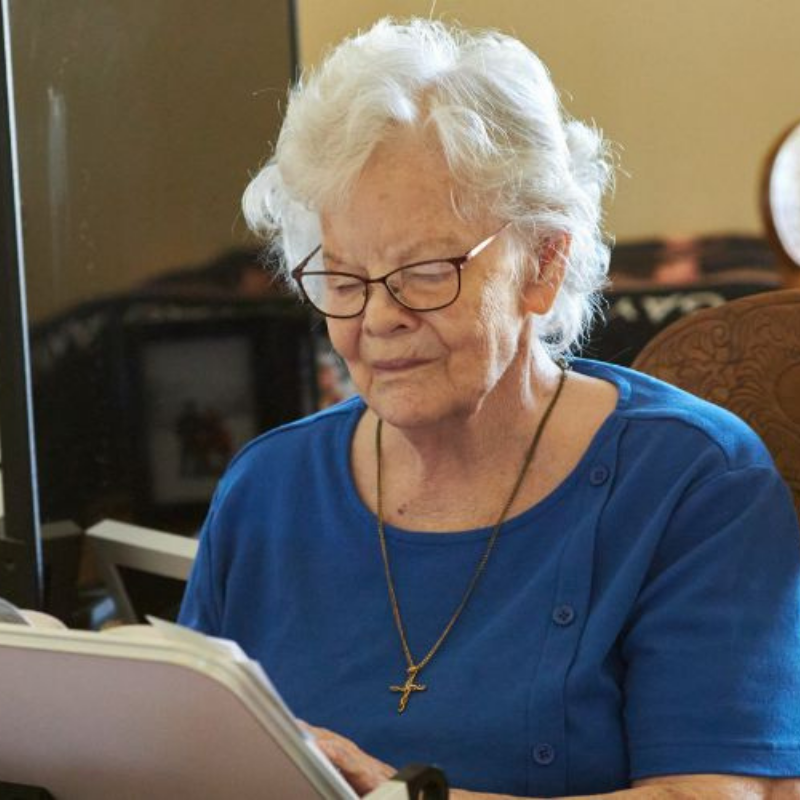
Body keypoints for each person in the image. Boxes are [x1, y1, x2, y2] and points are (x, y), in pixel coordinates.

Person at [179, 18, 800, 799]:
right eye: (342, 278)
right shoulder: (266, 489)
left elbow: (715, 796)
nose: (378, 318)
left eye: (425, 272)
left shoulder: (693, 483)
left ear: (544, 262)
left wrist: (387, 796)